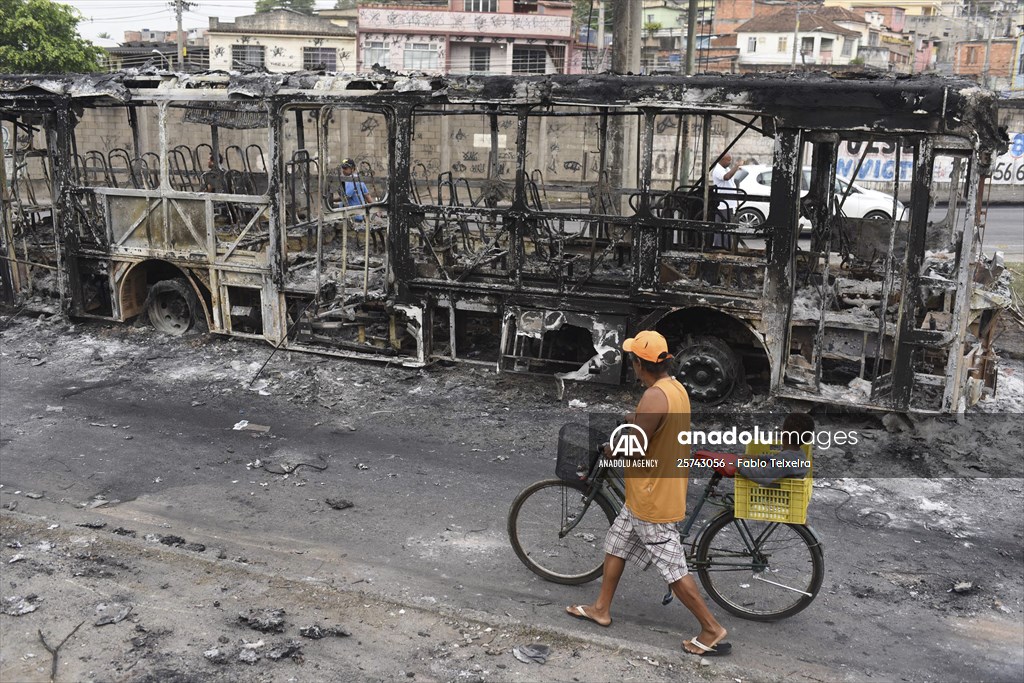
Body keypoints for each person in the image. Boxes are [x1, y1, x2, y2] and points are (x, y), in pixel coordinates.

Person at [565, 330, 731, 657]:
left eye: (633, 360)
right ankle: (601, 608)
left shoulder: (654, 396)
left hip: (653, 498)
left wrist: (613, 449)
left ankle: (711, 629)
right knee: (616, 543)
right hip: (647, 492)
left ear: (640, 364)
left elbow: (637, 446)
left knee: (673, 570)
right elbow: (656, 425)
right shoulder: (675, 388)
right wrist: (634, 418)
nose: (633, 365)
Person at [710, 154, 741, 249]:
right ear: (722, 160)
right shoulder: (718, 170)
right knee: (722, 227)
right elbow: (726, 177)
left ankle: (727, 246)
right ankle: (720, 246)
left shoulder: (725, 169)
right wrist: (736, 166)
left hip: (730, 202)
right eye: (728, 160)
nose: (729, 163)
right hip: (723, 204)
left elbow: (731, 179)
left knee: (729, 227)